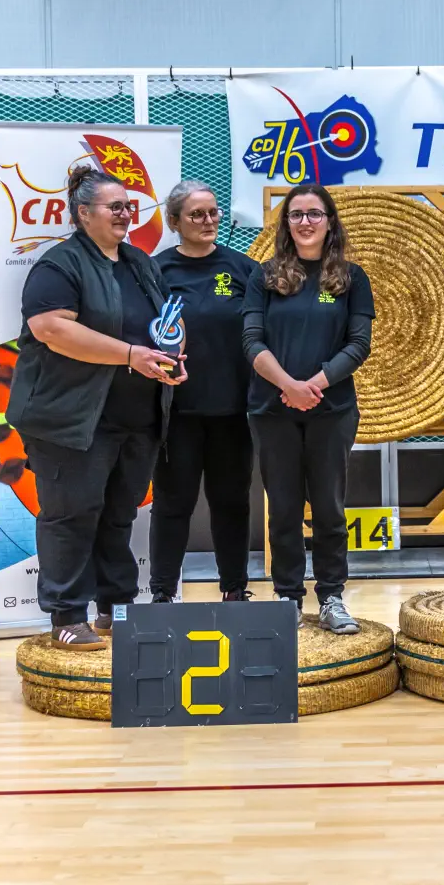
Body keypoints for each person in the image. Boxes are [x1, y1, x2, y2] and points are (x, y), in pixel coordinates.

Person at [8, 164, 184, 651]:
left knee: (119, 516)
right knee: (71, 515)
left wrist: (170, 358)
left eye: (130, 206)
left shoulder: (140, 262)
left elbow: (164, 323)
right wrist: (130, 355)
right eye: (115, 207)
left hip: (137, 418)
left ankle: (116, 606)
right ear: (83, 213)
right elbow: (51, 329)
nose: (126, 214)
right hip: (70, 420)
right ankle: (67, 615)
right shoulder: (58, 265)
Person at [243, 184, 374, 632]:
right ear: (286, 223)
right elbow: (251, 341)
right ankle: (288, 596)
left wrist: (313, 385)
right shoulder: (264, 276)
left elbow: (358, 344)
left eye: (314, 214)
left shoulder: (352, 278)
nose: (305, 222)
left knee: (329, 508)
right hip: (272, 408)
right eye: (296, 214)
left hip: (331, 409)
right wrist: (287, 385)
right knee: (282, 509)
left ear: (330, 221)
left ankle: (332, 595)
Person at [148, 181, 258, 603]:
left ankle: (235, 590)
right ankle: (162, 594)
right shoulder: (155, 271)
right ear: (174, 221)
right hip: (177, 412)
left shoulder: (243, 269)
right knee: (173, 503)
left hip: (233, 411)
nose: (208, 220)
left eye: (213, 212)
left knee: (232, 502)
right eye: (196, 214)